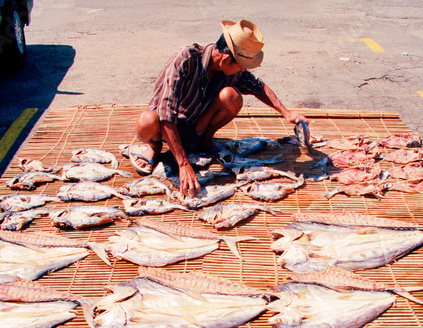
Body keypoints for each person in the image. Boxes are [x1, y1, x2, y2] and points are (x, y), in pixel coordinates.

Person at [131, 19, 308, 196]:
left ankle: (204, 140)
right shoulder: (186, 59)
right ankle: (154, 147)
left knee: (232, 96)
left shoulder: (233, 69)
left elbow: (257, 87)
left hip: (197, 125)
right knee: (147, 121)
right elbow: (166, 114)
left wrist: (286, 113)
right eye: (240, 66)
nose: (242, 70)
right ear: (224, 59)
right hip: (166, 128)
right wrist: (183, 164)